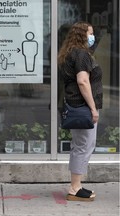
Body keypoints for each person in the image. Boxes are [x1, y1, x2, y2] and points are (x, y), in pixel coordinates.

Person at [58, 21, 103, 202]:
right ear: (82, 35)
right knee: (84, 145)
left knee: (79, 146)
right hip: (83, 106)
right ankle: (75, 187)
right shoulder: (82, 54)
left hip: (75, 104)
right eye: (90, 33)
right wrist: (93, 108)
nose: (93, 37)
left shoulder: (71, 53)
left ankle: (75, 184)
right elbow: (83, 81)